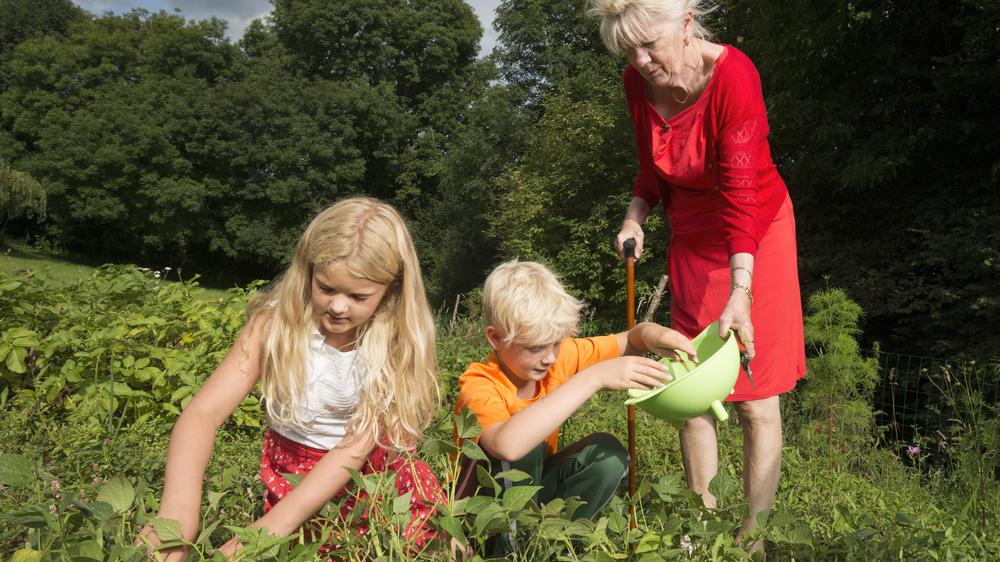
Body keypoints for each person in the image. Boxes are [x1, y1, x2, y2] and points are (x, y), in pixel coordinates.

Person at [591, 0, 807, 550]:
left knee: (756, 396)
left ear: (686, 24)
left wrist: (742, 291)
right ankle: (700, 526)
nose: (640, 61)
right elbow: (651, 165)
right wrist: (635, 215)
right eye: (628, 50)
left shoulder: (734, 76)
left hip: (756, 235)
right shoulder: (638, 83)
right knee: (691, 388)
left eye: (649, 45)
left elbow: (740, 196)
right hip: (691, 242)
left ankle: (752, 538)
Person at [135, 197, 445, 560]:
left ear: (391, 290)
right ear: (308, 270)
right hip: (292, 480)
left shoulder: (393, 345)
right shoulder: (275, 326)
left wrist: (265, 530)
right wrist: (177, 512)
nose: (339, 306)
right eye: (327, 288)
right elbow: (204, 413)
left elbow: (354, 449)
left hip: (373, 488)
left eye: (359, 296)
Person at [454, 259, 696, 553]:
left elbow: (630, 340)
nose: (549, 358)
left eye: (556, 343)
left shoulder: (558, 356)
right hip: (483, 515)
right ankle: (508, 553)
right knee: (524, 440)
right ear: (496, 338)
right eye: (535, 348)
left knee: (608, 455)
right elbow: (507, 446)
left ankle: (553, 546)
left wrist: (655, 335)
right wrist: (592, 379)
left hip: (534, 495)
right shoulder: (479, 383)